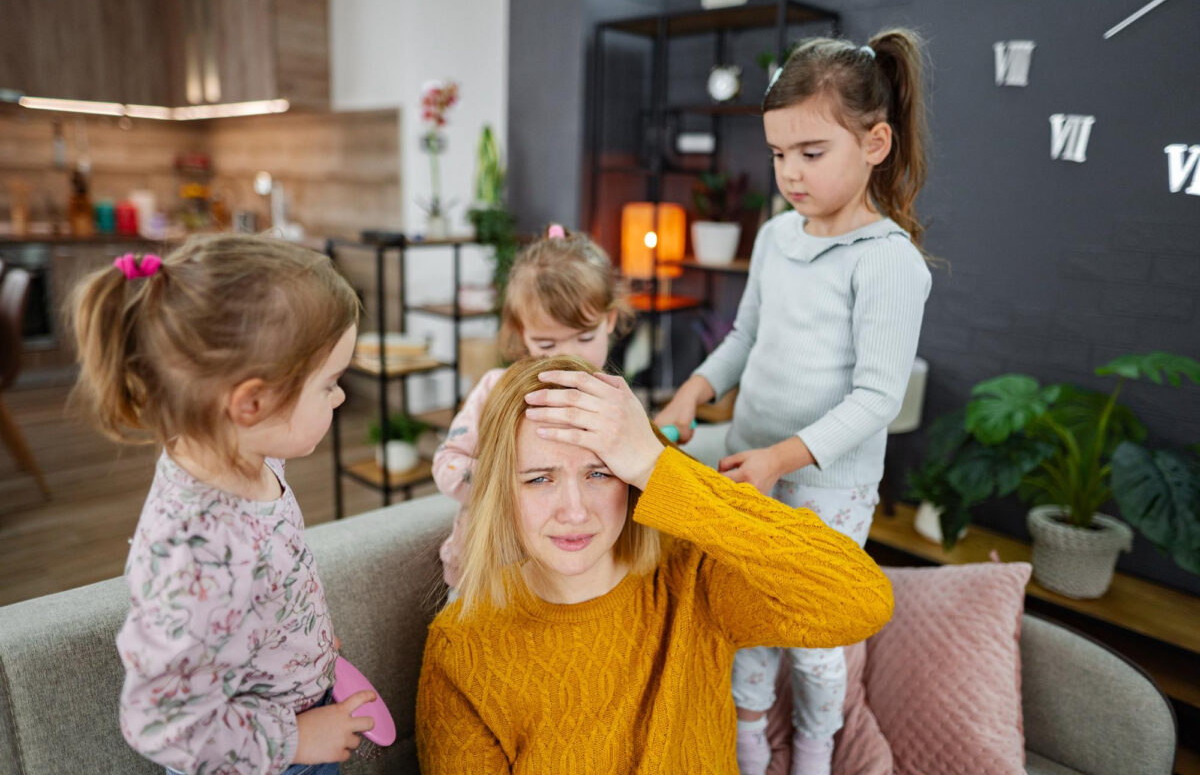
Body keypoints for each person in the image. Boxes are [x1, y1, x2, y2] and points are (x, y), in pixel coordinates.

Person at [654, 29, 933, 775]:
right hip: (755, 471)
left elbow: (877, 398)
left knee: (810, 641)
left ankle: (814, 751)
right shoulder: (777, 237)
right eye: (779, 155)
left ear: (875, 143)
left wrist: (781, 458)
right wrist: (692, 392)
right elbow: (745, 336)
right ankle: (748, 751)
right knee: (747, 620)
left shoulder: (888, 262)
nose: (790, 173)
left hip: (828, 487)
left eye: (811, 153)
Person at [415, 355, 894, 773]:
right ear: (501, 491)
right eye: (540, 479)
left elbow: (861, 600)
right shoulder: (463, 648)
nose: (575, 511)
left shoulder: (693, 579)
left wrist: (656, 465)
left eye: (600, 473)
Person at [71, 236, 376, 774]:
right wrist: (295, 740)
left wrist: (297, 639)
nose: (341, 396)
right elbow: (164, 722)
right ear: (251, 403)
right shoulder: (196, 551)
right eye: (329, 383)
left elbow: (261, 589)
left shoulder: (245, 453)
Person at [432, 224, 634, 590]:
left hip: (573, 580)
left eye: (584, 337)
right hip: (487, 575)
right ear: (521, 332)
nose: (566, 357)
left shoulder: (614, 400)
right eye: (546, 344)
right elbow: (447, 464)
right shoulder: (496, 390)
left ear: (609, 320)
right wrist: (512, 484)